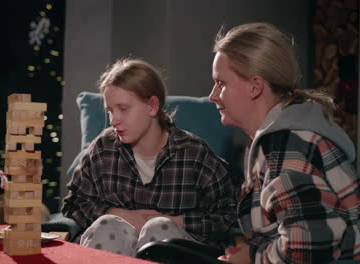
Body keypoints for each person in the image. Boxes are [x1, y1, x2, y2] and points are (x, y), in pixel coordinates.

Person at [209, 23, 360, 263]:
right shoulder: (276, 138)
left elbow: (306, 250)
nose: (212, 95)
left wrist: (253, 258)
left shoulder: (288, 144)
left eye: (221, 83)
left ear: (255, 87)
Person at [62, 58, 237, 257]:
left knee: (159, 228)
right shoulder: (103, 148)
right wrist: (120, 215)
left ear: (152, 106)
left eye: (123, 109)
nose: (114, 120)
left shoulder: (194, 154)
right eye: (110, 111)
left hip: (174, 246)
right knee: (108, 225)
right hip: (114, 246)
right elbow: (73, 203)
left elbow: (228, 216)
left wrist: (177, 221)